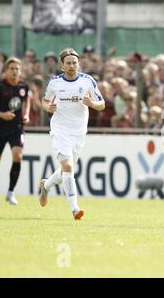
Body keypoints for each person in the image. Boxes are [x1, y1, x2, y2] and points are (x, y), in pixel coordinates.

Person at [38, 48, 105, 220]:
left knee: (65, 169)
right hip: (60, 129)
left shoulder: (88, 81)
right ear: (62, 66)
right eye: (68, 63)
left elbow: (102, 104)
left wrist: (92, 103)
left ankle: (46, 185)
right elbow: (45, 101)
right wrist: (48, 107)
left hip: (79, 132)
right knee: (68, 167)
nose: (71, 65)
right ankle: (75, 209)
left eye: (74, 62)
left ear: (79, 64)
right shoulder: (54, 82)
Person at [0, 58, 30, 205]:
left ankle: (10, 193)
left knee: (17, 156)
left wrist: (25, 114)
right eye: (12, 68)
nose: (14, 71)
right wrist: (2, 115)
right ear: (6, 70)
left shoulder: (23, 86)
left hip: (17, 128)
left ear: (20, 70)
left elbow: (26, 101)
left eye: (17, 69)